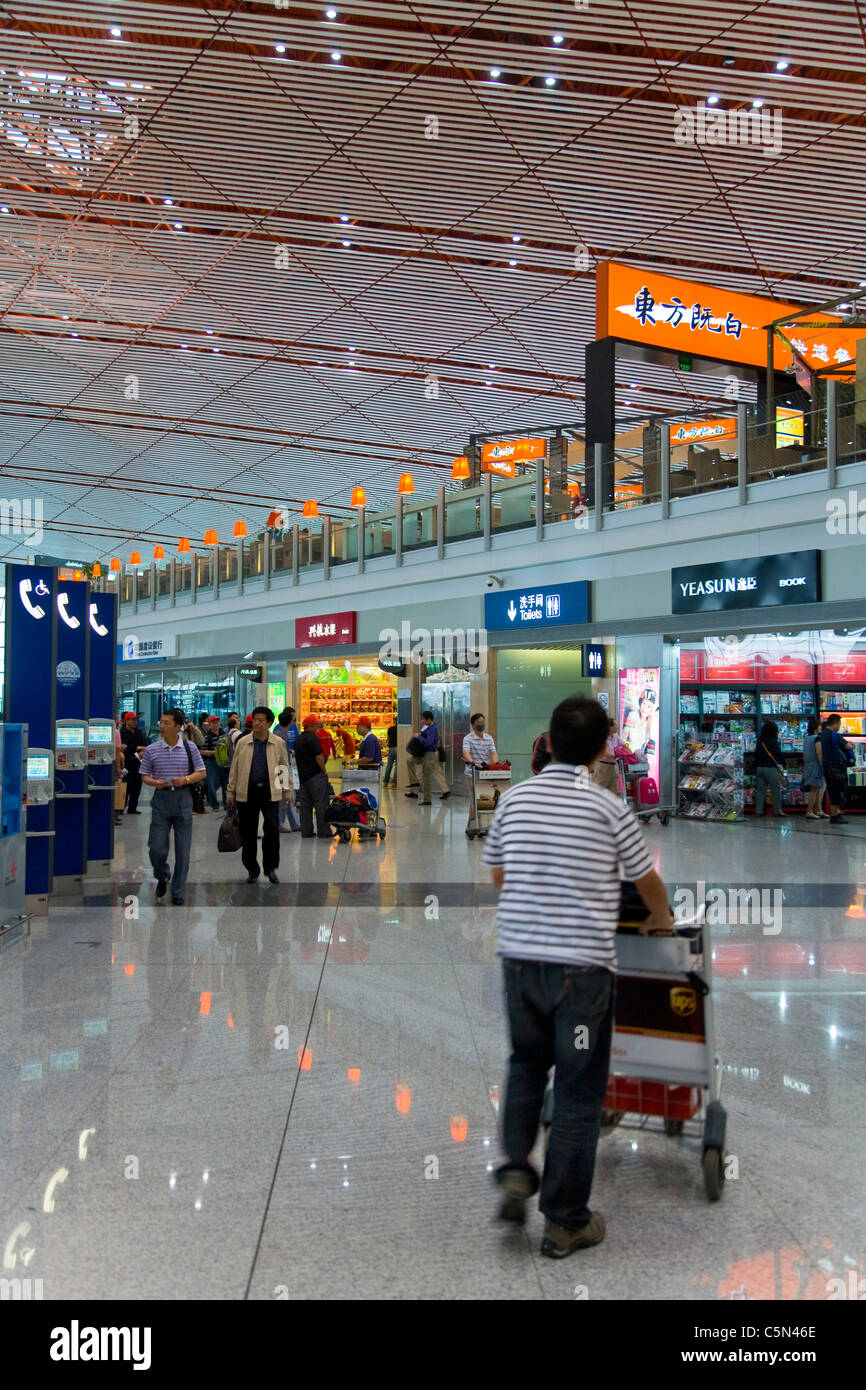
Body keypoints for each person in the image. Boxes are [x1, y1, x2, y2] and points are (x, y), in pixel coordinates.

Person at [483, 695, 673, 1257]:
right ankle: (565, 1219)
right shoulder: (610, 808)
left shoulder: (513, 799)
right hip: (581, 976)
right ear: (600, 748)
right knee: (578, 1087)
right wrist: (660, 920)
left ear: (548, 740)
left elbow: (499, 875)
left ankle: (517, 1167)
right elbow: (646, 881)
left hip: (520, 965)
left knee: (524, 1063)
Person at [139, 709, 206, 905]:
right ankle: (162, 874)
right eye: (161, 722)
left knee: (183, 850)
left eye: (166, 723)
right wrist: (154, 783)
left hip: (183, 799)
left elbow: (201, 772)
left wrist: (185, 779)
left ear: (178, 727)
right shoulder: (152, 749)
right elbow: (144, 775)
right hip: (161, 799)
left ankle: (178, 890)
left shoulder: (189, 747)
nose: (162, 726)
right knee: (156, 848)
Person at [226, 706, 290, 883]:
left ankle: (270, 868)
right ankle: (252, 869)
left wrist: (287, 791)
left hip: (270, 792)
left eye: (261, 720)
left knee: (271, 829)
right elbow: (235, 769)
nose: (256, 723)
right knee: (248, 832)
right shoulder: (243, 742)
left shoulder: (278, 743)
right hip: (247, 792)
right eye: (255, 720)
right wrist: (230, 792)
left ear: (269, 723)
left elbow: (284, 767)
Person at [295, 715, 334, 838]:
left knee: (305, 806)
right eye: (316, 725)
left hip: (303, 777)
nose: (317, 727)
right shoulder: (313, 739)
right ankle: (324, 831)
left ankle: (306, 832)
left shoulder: (298, 739)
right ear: (310, 726)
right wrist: (325, 771)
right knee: (321, 804)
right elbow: (319, 757)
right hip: (316, 776)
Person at [406, 710, 449, 805]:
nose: (422, 721)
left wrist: (419, 737)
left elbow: (428, 742)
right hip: (424, 754)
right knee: (410, 761)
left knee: (426, 776)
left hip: (430, 754)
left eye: (424, 719)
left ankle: (427, 799)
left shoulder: (433, 729)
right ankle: (414, 783)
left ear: (429, 719)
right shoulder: (428, 728)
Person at [462, 712, 497, 830]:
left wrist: (496, 765)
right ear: (473, 725)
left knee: (483, 800)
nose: (481, 725)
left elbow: (493, 753)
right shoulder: (468, 738)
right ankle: (472, 826)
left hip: (484, 774)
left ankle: (477, 826)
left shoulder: (489, 738)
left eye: (483, 722)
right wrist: (472, 763)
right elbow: (466, 753)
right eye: (478, 723)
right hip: (471, 774)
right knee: (474, 800)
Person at [821, 714, 854, 826]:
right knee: (840, 791)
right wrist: (852, 746)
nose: (839, 726)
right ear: (835, 722)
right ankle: (836, 815)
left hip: (827, 767)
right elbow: (848, 746)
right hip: (837, 767)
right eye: (839, 724)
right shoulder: (834, 735)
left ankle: (835, 814)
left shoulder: (822, 734)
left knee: (832, 791)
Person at [273, 709, 301, 833]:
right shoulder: (282, 737)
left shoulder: (276, 732)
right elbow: (282, 756)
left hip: (281, 767)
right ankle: (280, 823)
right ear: (290, 722)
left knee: (288, 796)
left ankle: (295, 823)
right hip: (282, 768)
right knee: (285, 796)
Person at [755, 720, 787, 818]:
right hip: (770, 768)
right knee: (776, 790)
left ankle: (759, 811)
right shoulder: (773, 741)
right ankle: (777, 811)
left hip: (759, 768)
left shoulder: (760, 741)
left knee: (760, 791)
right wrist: (784, 764)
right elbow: (779, 754)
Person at [120, 711, 148, 814]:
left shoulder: (139, 732)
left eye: (136, 720)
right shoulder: (122, 733)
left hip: (138, 763)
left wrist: (141, 750)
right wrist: (137, 748)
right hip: (126, 763)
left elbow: (145, 744)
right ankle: (120, 808)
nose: (135, 722)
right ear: (126, 720)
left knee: (137, 786)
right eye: (132, 720)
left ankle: (133, 807)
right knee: (125, 786)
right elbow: (123, 748)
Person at [802, 716, 827, 821]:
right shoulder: (817, 738)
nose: (821, 728)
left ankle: (817, 810)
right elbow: (819, 753)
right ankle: (810, 811)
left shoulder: (806, 738)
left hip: (808, 765)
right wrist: (823, 765)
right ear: (816, 727)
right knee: (815, 789)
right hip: (816, 765)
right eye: (820, 726)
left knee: (814, 788)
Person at [201, 715, 224, 811]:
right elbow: (201, 751)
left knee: (223, 783)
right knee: (211, 783)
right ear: (210, 725)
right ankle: (214, 805)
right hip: (212, 762)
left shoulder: (224, 734)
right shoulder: (207, 737)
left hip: (223, 762)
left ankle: (226, 804)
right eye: (213, 723)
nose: (216, 725)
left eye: (217, 722)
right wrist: (213, 753)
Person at [591, 719, 619, 794]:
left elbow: (624, 745)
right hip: (603, 766)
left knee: (615, 790)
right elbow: (604, 752)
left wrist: (631, 755)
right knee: (599, 790)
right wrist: (616, 756)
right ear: (610, 727)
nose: (617, 727)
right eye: (615, 725)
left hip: (613, 766)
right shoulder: (602, 737)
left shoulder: (616, 736)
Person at [383, 720, 398, 787]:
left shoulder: (390, 729)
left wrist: (388, 746)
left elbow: (388, 740)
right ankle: (394, 782)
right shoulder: (400, 729)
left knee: (389, 765)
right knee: (397, 766)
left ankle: (386, 782)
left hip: (391, 748)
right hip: (398, 748)